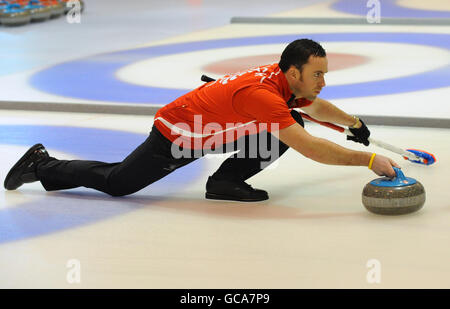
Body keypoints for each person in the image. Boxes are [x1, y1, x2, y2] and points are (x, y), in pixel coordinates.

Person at [4, 39, 400, 202]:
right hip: (177, 136)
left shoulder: (280, 79)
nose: (323, 81)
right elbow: (311, 147)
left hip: (215, 131)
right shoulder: (263, 95)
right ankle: (44, 165)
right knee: (119, 184)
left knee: (287, 126)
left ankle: (225, 182)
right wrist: (367, 161)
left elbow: (312, 105)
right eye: (317, 74)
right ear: (293, 72)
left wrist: (352, 122)